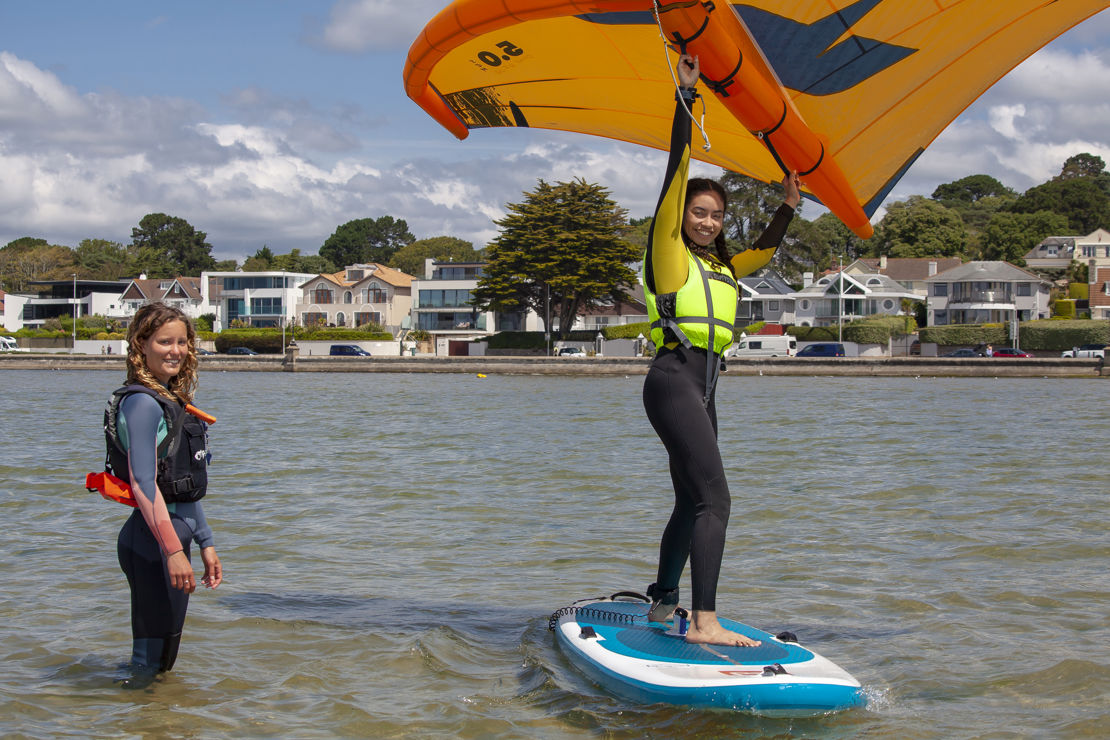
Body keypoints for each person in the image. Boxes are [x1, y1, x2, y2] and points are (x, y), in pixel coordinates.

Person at [641, 54, 800, 647]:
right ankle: (703, 621)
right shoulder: (668, 252)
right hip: (673, 376)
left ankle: (662, 602)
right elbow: (675, 174)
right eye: (698, 212)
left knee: (691, 497)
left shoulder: (725, 267)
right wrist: (685, 98)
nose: (706, 221)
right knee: (716, 497)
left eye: (714, 216)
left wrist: (788, 202)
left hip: (706, 385)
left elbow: (764, 252)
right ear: (681, 215)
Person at [106, 302, 222, 683]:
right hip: (152, 545)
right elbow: (143, 485)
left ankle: (156, 723)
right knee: (148, 664)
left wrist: (204, 542)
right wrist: (173, 551)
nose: (176, 350)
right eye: (164, 341)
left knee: (163, 662)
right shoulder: (142, 404)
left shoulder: (170, 399)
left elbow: (182, 485)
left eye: (182, 342)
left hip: (174, 539)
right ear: (141, 344)